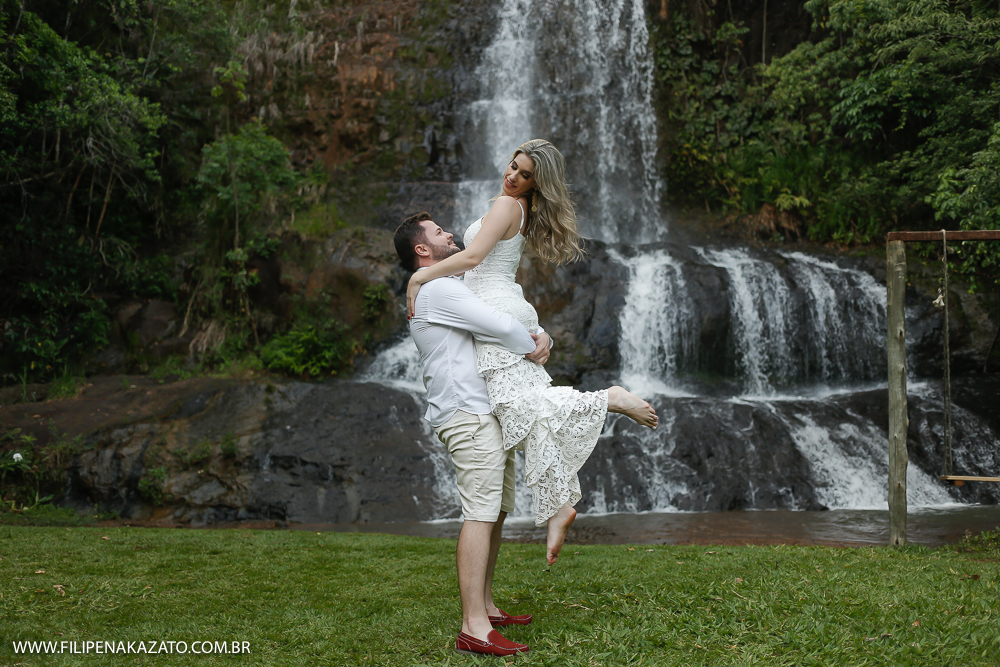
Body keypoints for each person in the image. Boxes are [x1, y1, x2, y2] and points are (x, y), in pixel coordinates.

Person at [406, 139, 658, 566]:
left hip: (495, 310)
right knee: (524, 412)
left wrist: (420, 279)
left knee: (521, 405)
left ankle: (608, 398)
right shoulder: (512, 206)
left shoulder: (507, 207)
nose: (512, 176)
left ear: (536, 184)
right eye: (513, 166)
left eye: (524, 175)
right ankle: (560, 505)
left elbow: (473, 258)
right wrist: (539, 330)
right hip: (501, 305)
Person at [393, 211, 549, 656]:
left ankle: (487, 607)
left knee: (496, 510)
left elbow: (505, 314)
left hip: (486, 411)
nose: (451, 234)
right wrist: (532, 345)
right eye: (440, 232)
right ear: (423, 250)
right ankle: (473, 628)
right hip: (467, 414)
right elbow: (499, 327)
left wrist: (542, 336)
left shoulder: (450, 284)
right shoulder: (438, 287)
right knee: (480, 512)